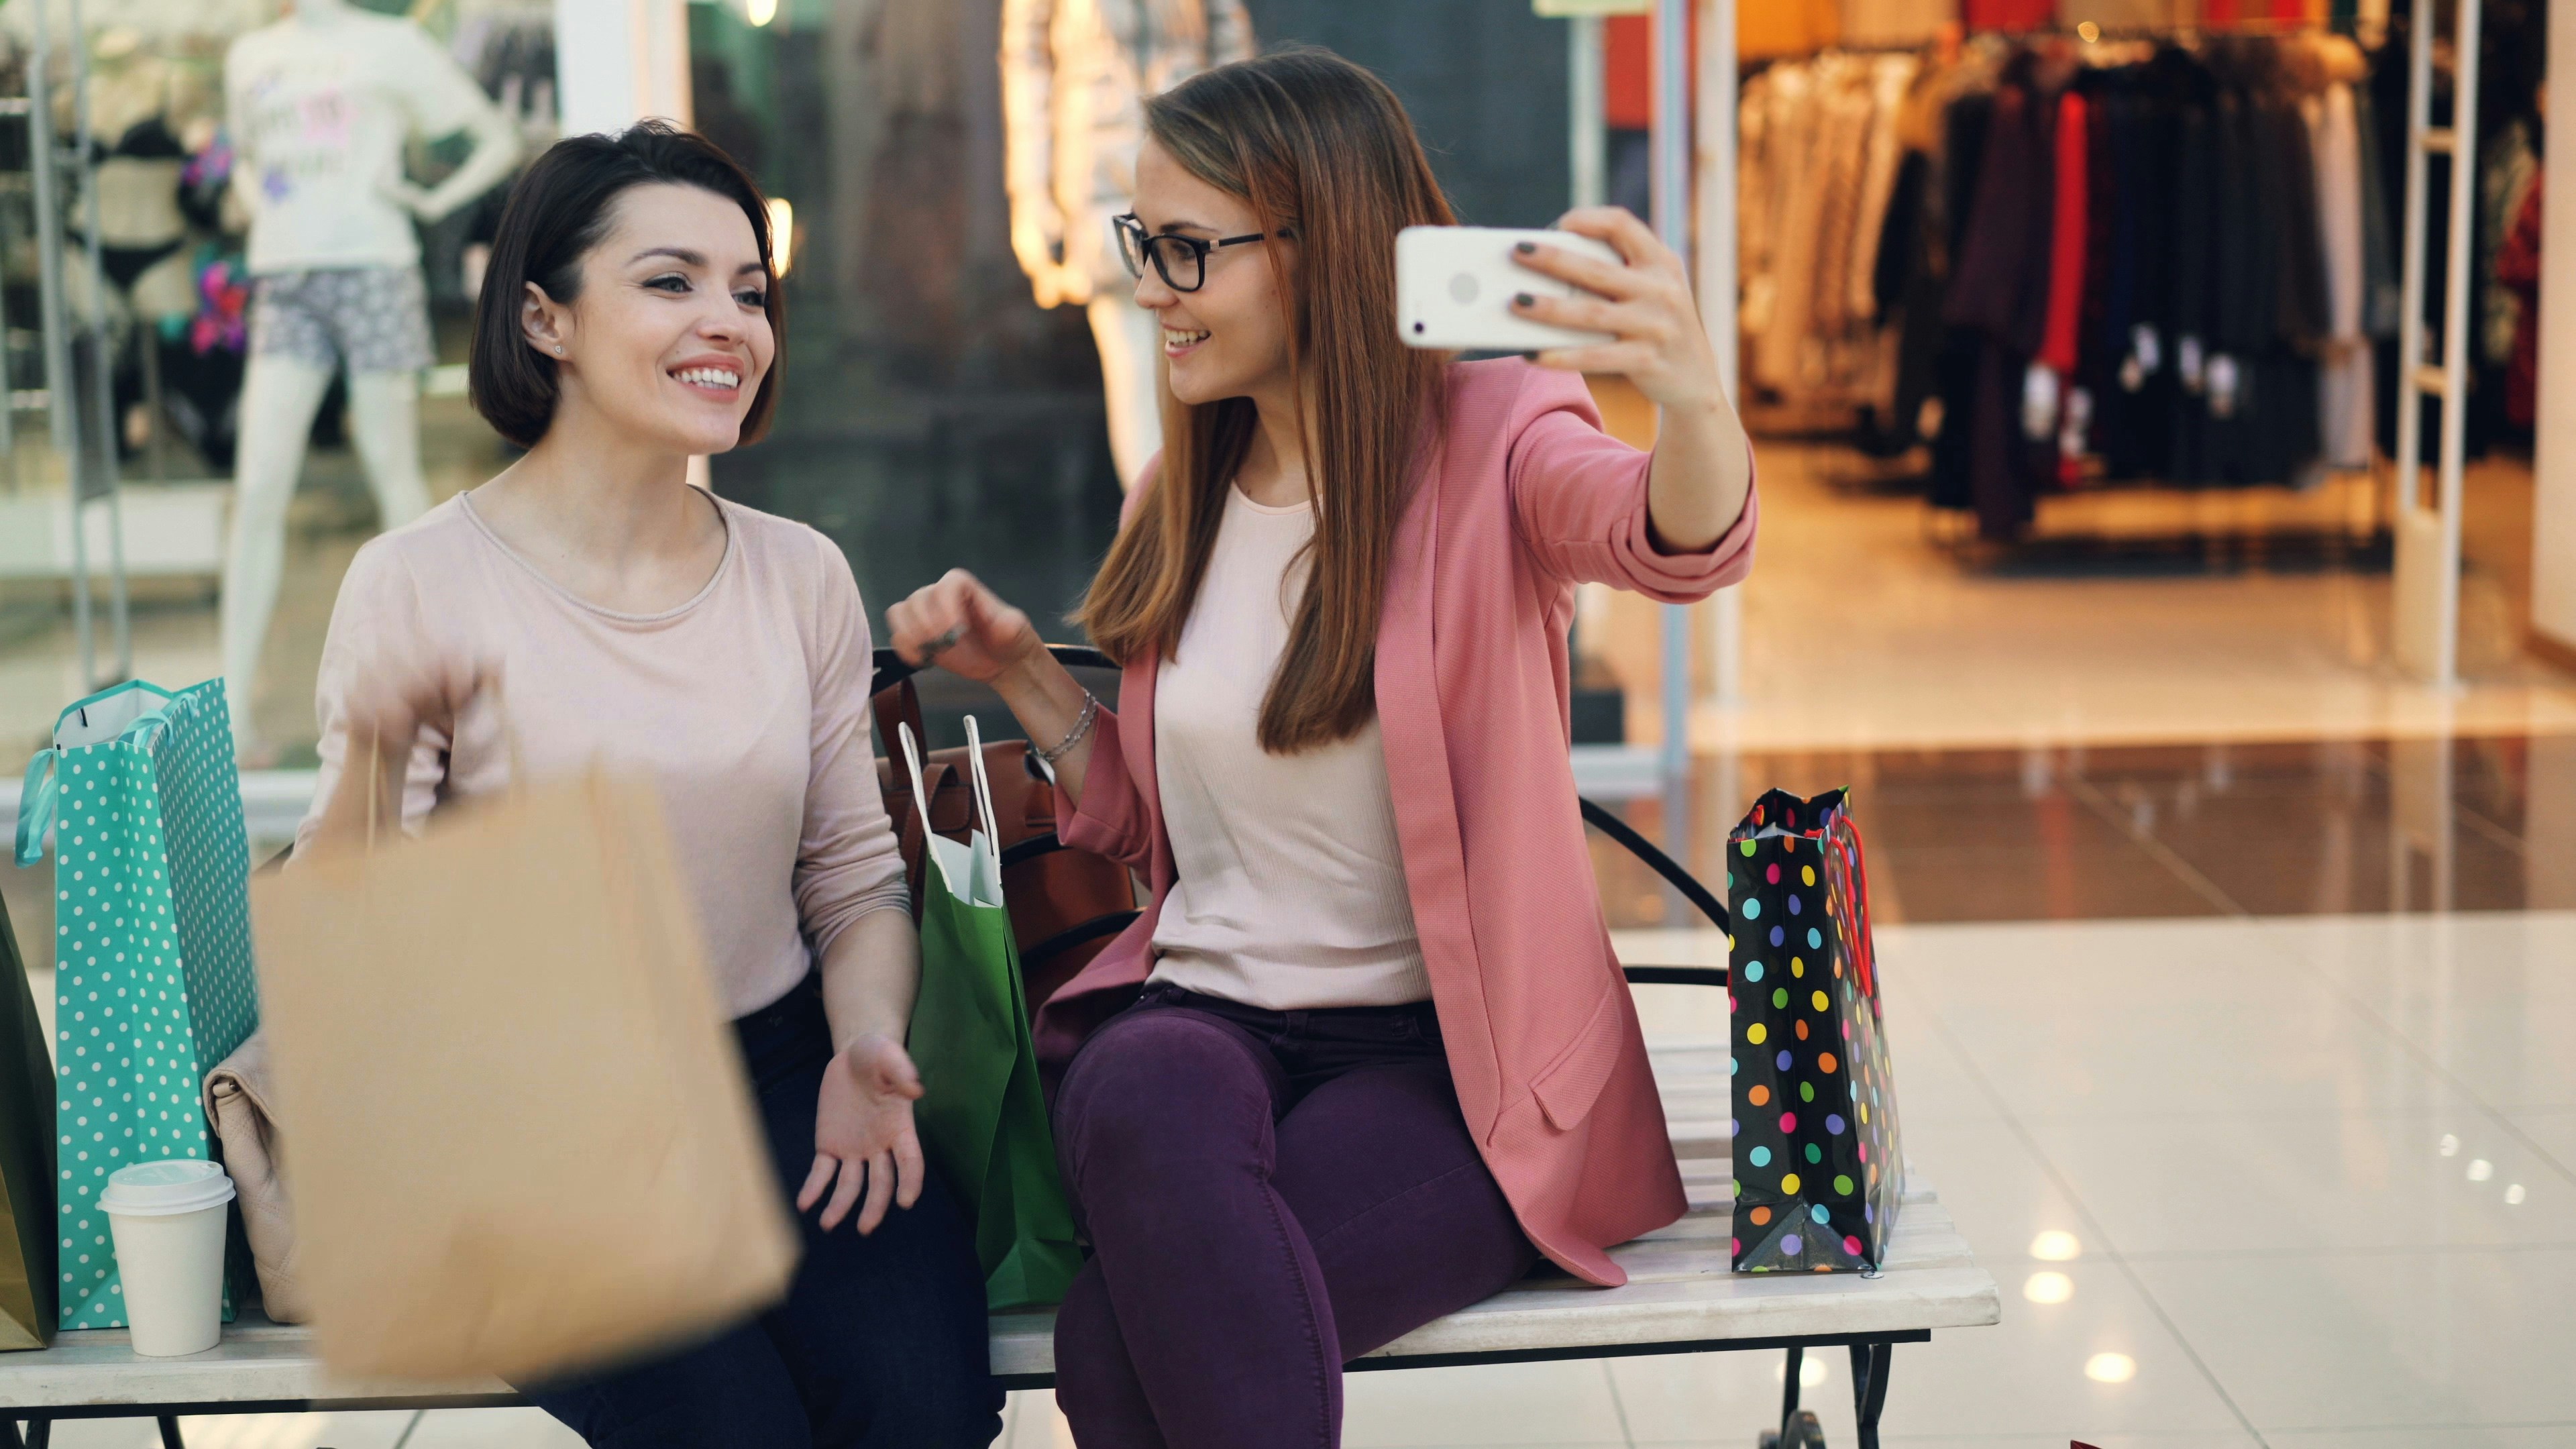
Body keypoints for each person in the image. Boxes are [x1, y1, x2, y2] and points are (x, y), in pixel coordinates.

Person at [888, 48, 1758, 1449]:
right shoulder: (1180, 489)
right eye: (1141, 242)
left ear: (1322, 246)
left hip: (1449, 1074)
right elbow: (1154, 827)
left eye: (1186, 251)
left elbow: (1671, 538)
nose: (1149, 287)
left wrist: (1693, 397)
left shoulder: (1499, 438)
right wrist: (1020, 682)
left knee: (1118, 1358)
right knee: (1136, 1083)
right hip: (1201, 1028)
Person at [294, 123, 1001, 1449]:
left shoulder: (801, 576)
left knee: (929, 1411)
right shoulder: (418, 583)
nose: (727, 320)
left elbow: (852, 878)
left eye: (750, 288)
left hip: (786, 1069)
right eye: (671, 281)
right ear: (544, 317)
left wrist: (865, 1040)